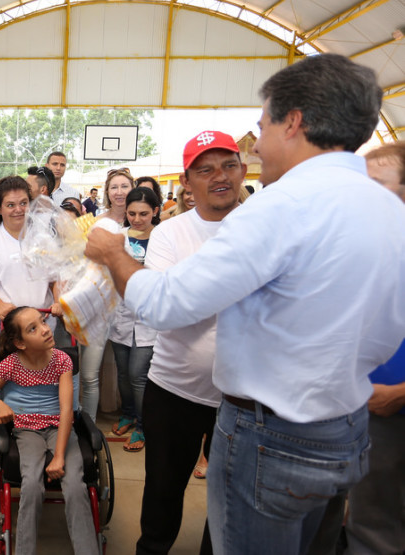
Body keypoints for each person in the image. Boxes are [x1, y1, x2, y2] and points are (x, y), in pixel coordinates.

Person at [84, 54, 405, 553]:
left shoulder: (279, 208)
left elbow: (166, 303)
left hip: (272, 436)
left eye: (262, 126)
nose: (258, 145)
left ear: (293, 122)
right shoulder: (387, 208)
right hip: (345, 427)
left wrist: (111, 253)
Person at [136, 130, 245, 555]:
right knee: (162, 492)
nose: (220, 177)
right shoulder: (170, 233)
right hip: (174, 388)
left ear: (242, 170)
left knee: (231, 501)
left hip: (242, 397)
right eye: (206, 169)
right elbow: (165, 309)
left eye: (229, 165)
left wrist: (187, 292)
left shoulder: (263, 227)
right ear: (187, 181)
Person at [0, 306, 98, 555]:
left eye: (43, 322)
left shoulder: (62, 360)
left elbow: (66, 411)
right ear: (19, 343)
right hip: (26, 431)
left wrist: (60, 456)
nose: (44, 330)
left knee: (75, 485)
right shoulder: (10, 365)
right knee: (31, 484)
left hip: (59, 426)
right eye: (33, 328)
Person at [330, 143, 405, 554]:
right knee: (369, 521)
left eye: (376, 186)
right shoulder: (365, 246)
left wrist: (400, 393)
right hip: (366, 412)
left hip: (392, 409)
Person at [0, 176, 60, 387]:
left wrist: (58, 300)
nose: (18, 209)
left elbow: (56, 279)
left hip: (39, 332)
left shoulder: (43, 238)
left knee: (35, 390)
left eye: (23, 203)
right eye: (10, 205)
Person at [109, 186, 160, 452]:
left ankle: (142, 425)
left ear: (155, 211)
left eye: (143, 213)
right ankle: (127, 413)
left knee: (138, 375)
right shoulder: (117, 237)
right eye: (132, 213)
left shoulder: (163, 238)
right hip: (121, 315)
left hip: (149, 319)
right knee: (123, 374)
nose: (137, 219)